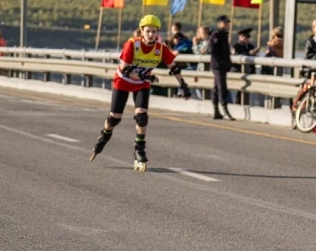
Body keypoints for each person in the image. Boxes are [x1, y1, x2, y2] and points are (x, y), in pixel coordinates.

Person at [89, 15, 191, 171]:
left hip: (141, 84)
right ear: (142, 32)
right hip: (122, 82)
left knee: (142, 117)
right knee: (115, 118)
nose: (151, 34)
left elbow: (174, 67)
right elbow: (125, 68)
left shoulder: (160, 49)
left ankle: (139, 150)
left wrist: (183, 85)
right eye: (148, 31)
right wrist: (146, 76)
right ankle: (104, 135)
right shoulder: (132, 45)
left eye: (154, 32)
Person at [209, 15, 235, 121]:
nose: (227, 25)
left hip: (223, 65)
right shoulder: (216, 35)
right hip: (218, 65)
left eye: (227, 23)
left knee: (216, 87)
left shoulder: (224, 35)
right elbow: (212, 49)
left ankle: (216, 111)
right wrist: (220, 61)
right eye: (225, 23)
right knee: (222, 88)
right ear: (219, 24)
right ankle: (224, 109)